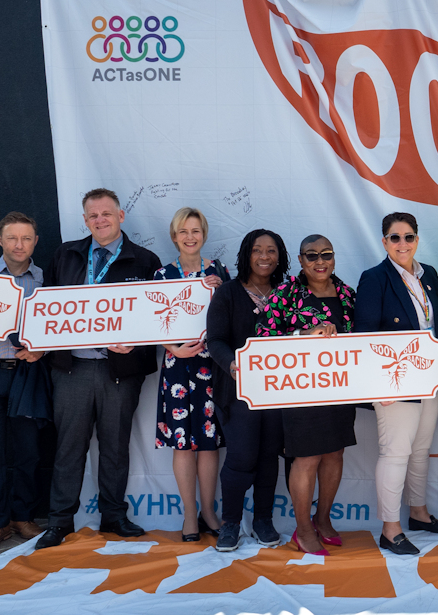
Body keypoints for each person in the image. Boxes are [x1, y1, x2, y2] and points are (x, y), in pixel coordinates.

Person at [36, 188, 162, 550]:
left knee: (116, 446)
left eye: (106, 214)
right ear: (85, 220)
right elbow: (48, 307)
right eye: (93, 216)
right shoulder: (67, 254)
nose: (100, 220)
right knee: (68, 447)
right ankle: (60, 521)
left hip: (119, 370)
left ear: (121, 216)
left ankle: (113, 515)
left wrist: (136, 342)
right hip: (72, 368)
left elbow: (157, 316)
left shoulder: (145, 260)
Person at [353, 213, 438, 556]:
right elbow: (365, 336)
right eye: (394, 238)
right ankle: (390, 529)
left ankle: (419, 514)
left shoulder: (429, 275)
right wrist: (377, 384)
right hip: (395, 381)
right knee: (396, 453)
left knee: (420, 450)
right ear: (384, 242)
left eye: (408, 237)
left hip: (430, 377)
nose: (402, 244)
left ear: (417, 239)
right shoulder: (374, 278)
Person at [256, 234, 357, 556]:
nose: (319, 261)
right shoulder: (286, 293)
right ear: (300, 261)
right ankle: (302, 530)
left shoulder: (346, 293)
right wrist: (304, 334)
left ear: (334, 257)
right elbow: (262, 337)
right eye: (311, 256)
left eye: (326, 254)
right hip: (300, 391)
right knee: (308, 457)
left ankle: (322, 519)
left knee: (335, 454)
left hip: (338, 388)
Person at [207, 229, 290, 552]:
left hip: (277, 391)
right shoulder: (228, 293)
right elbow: (215, 340)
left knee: (270, 457)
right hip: (238, 390)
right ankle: (230, 524)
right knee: (241, 457)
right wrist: (232, 365)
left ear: (279, 256)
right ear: (246, 254)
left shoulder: (288, 292)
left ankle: (263, 520)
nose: (265, 257)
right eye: (258, 250)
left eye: (271, 250)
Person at [153, 208, 230, 542]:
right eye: (183, 232)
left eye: (196, 231)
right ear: (174, 236)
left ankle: (209, 511)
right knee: (183, 444)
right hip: (177, 367)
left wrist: (223, 288)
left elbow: (232, 319)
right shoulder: (161, 275)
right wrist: (172, 348)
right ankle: (188, 515)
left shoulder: (219, 272)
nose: (189, 237)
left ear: (204, 235)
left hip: (210, 367)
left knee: (209, 443)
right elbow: (150, 323)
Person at [0, 212, 47, 552]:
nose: (20, 244)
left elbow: (55, 330)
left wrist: (41, 352)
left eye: (27, 238)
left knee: (27, 451)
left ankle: (22, 516)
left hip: (26, 375)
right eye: (13, 238)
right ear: (0, 240)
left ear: (35, 242)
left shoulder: (45, 282)